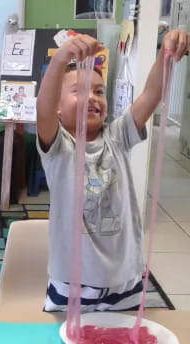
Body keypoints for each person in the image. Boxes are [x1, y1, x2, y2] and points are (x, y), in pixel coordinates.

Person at [36, 29, 189, 312]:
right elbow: (42, 112)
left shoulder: (117, 136)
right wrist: (59, 61)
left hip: (125, 280)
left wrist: (165, 57)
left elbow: (151, 94)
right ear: (57, 108)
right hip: (72, 284)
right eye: (78, 91)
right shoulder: (59, 147)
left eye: (98, 91)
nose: (93, 97)